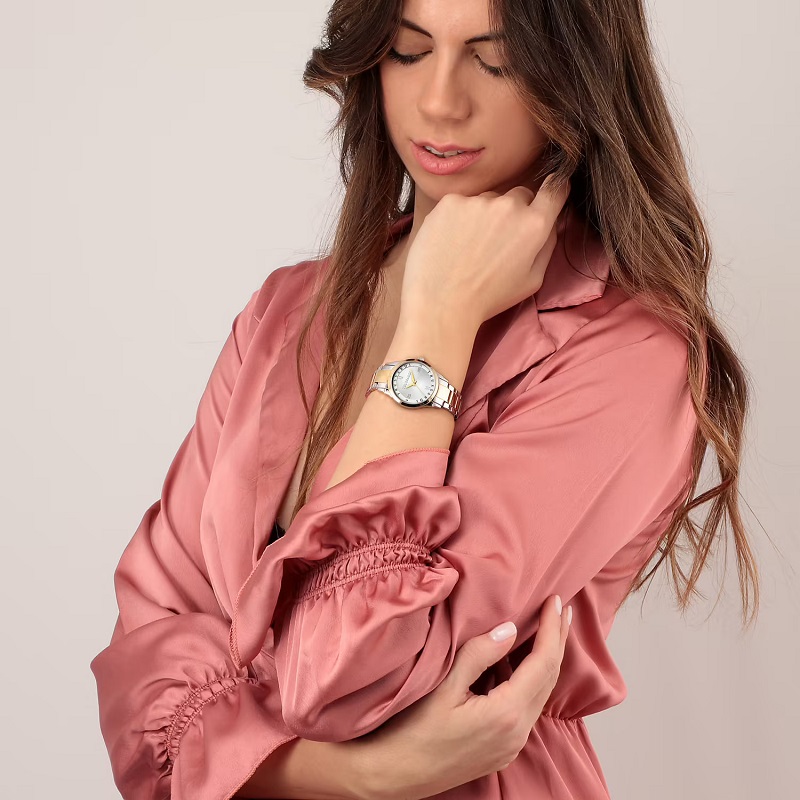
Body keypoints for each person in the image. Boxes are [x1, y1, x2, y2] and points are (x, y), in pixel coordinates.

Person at [90, 1, 759, 798]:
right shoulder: (284, 313)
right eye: (409, 53)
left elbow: (343, 679)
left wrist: (437, 326)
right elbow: (142, 695)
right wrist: (367, 777)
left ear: (575, 78)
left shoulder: (627, 354)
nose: (441, 101)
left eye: (496, 61)